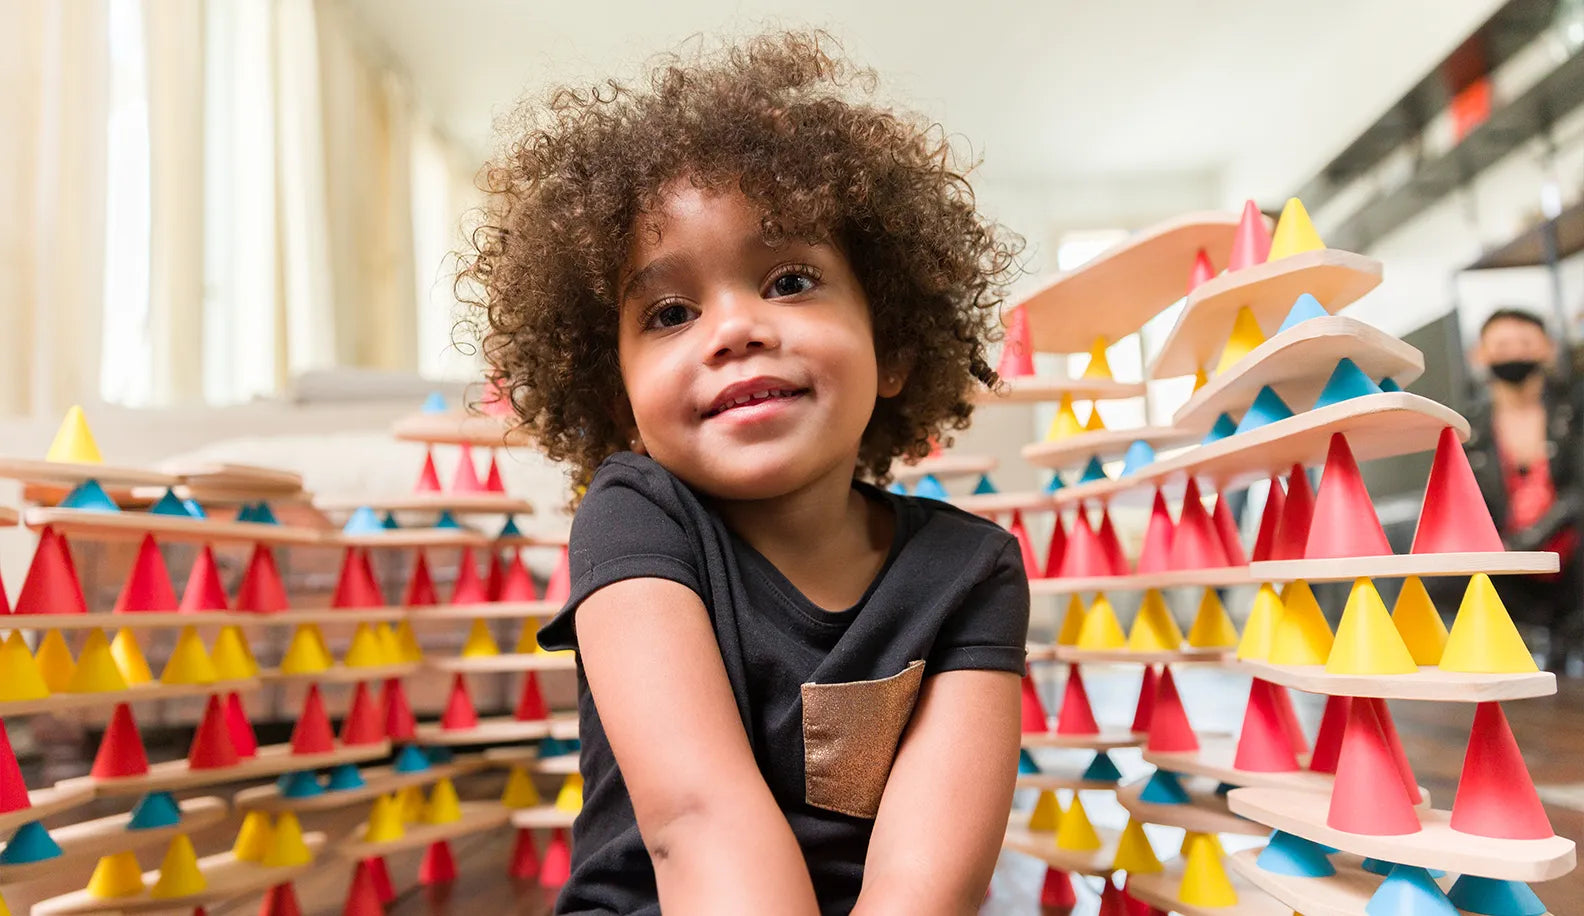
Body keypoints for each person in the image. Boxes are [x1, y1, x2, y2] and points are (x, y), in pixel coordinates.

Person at [461, 31, 1030, 914]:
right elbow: (697, 821)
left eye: (791, 279)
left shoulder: (970, 570)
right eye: (672, 311)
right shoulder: (634, 517)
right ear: (621, 404)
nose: (734, 328)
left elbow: (929, 883)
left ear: (895, 350)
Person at [1464, 308, 1582, 667]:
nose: (1514, 353)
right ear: (1479, 355)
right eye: (1501, 344)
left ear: (1548, 348)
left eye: (1525, 343)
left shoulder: (1575, 408)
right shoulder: (1469, 429)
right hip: (1507, 568)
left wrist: (1530, 540)